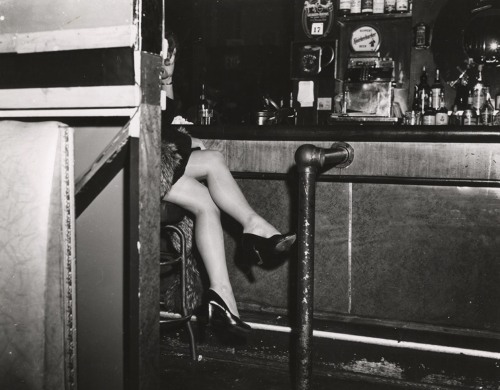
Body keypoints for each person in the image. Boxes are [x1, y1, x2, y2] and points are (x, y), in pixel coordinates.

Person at [160, 32, 295, 336]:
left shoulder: (156, 84)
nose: (168, 65)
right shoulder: (133, 82)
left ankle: (223, 298)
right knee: (213, 159)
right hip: (139, 168)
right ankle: (254, 227)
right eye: (163, 56)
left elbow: (161, 125)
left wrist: (166, 83)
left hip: (153, 166)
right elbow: (151, 131)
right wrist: (187, 141)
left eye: (172, 59)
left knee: (207, 204)